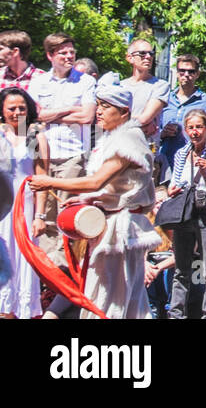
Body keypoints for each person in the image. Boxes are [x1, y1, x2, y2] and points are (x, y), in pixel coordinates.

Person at [29, 84, 162, 319]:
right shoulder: (113, 139)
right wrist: (84, 199)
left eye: (105, 106)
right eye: (98, 105)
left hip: (122, 230)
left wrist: (50, 182)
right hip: (112, 227)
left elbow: (96, 181)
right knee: (114, 296)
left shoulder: (128, 139)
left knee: (113, 298)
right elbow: (107, 187)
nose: (98, 111)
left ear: (123, 112)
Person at [30, 33, 96, 264]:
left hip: (72, 156)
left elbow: (87, 117)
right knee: (44, 213)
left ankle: (64, 268)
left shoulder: (85, 81)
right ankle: (48, 268)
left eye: (71, 52)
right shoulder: (38, 82)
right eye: (63, 53)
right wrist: (70, 109)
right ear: (50, 56)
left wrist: (50, 115)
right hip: (42, 155)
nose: (69, 56)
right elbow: (34, 116)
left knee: (67, 213)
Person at [165, 109, 206, 318]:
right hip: (185, 214)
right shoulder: (181, 153)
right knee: (181, 269)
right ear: (186, 130)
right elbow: (175, 183)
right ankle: (176, 314)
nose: (195, 132)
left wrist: (205, 171)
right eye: (191, 128)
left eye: (199, 127)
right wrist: (172, 190)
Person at [0, 88, 47, 318]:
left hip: (24, 209)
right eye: (12, 108)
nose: (17, 112)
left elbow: (42, 178)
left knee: (23, 262)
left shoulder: (34, 136)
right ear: (2, 110)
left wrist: (40, 216)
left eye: (22, 107)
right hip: (1, 208)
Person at [158, 54, 206, 173]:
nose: (186, 75)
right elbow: (154, 130)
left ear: (197, 74)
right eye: (182, 71)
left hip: (192, 164)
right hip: (164, 163)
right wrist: (163, 133)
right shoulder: (165, 99)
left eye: (191, 71)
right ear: (177, 73)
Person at [117, 37, 170, 142]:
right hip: (119, 143)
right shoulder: (119, 87)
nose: (148, 57)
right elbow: (106, 119)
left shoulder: (160, 86)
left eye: (151, 53)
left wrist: (117, 122)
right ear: (130, 58)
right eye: (142, 53)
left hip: (144, 146)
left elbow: (145, 118)